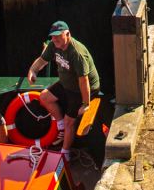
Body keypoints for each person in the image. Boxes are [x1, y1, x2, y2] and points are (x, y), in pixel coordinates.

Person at [25, 20, 99, 158]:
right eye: (52, 36)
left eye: (58, 36)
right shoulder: (53, 45)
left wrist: (86, 104)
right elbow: (42, 60)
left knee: (69, 122)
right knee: (44, 97)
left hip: (80, 89)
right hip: (66, 83)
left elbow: (84, 81)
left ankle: (65, 154)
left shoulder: (77, 53)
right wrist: (32, 71)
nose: (54, 39)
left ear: (67, 34)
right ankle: (60, 127)